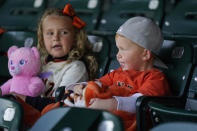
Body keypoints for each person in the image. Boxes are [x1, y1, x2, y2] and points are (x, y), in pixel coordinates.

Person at [71, 16, 171, 131]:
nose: (118, 55)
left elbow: (139, 102)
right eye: (118, 49)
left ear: (145, 54)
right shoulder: (117, 73)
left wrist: (108, 104)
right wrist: (82, 86)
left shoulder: (156, 78)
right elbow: (97, 84)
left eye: (123, 49)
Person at [11, 3, 98, 127]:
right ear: (42, 38)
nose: (56, 38)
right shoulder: (39, 63)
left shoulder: (76, 67)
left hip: (52, 122)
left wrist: (21, 99)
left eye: (64, 32)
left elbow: (61, 105)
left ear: (75, 37)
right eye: (50, 33)